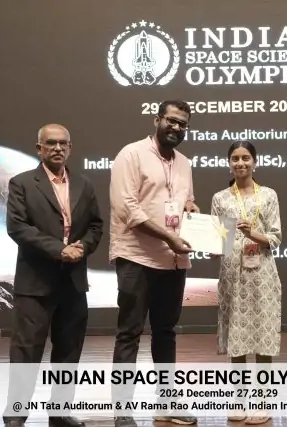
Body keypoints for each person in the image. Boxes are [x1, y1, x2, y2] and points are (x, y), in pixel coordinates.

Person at [3, 124, 104, 427]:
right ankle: (16, 414)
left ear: (70, 148)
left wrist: (82, 247)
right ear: (39, 148)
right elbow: (18, 227)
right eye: (51, 143)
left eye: (63, 143)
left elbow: (96, 226)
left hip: (73, 282)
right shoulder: (22, 183)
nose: (58, 148)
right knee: (26, 351)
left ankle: (60, 413)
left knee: (69, 351)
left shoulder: (84, 184)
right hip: (35, 283)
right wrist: (59, 250)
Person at [109, 100, 200, 427]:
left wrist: (192, 211)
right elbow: (128, 209)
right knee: (129, 333)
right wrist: (168, 236)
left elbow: (185, 202)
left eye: (182, 124)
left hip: (172, 261)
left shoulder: (185, 163)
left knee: (166, 332)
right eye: (171, 121)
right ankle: (122, 410)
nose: (176, 128)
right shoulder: (131, 154)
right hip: (136, 257)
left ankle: (167, 403)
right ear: (157, 119)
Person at [210, 141, 282, 425]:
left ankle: (263, 400)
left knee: (263, 337)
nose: (240, 163)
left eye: (246, 158)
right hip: (232, 275)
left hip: (262, 274)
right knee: (236, 340)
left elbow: (275, 237)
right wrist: (209, 241)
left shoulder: (268, 195)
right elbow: (220, 242)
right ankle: (239, 399)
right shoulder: (220, 198)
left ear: (255, 162)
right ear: (229, 163)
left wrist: (253, 234)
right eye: (235, 158)